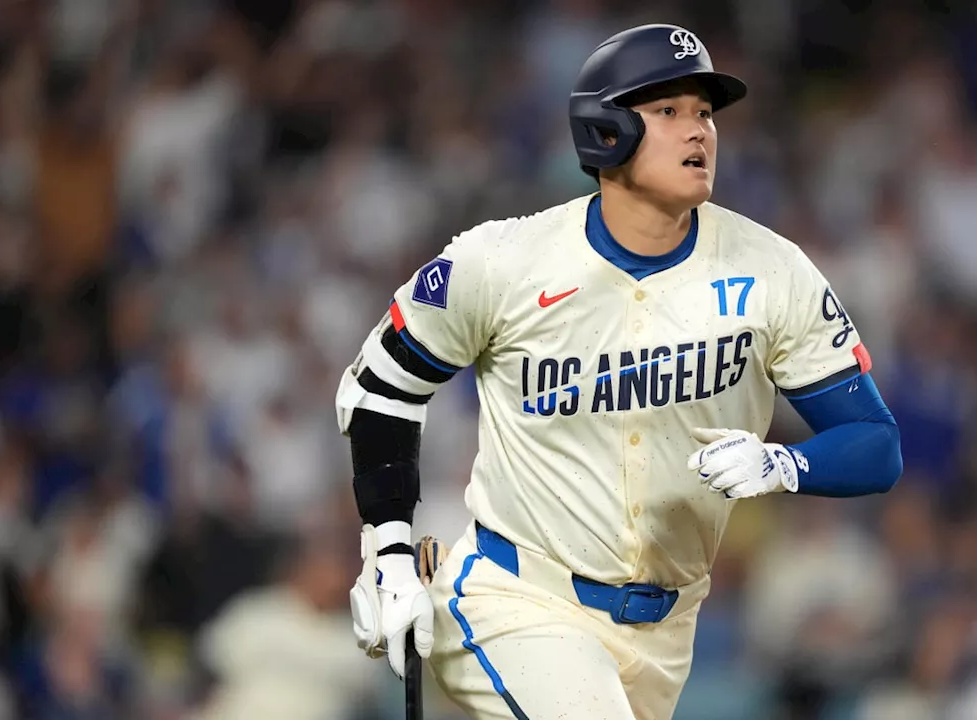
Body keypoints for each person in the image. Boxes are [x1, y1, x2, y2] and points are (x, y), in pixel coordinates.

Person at [334, 23, 903, 720]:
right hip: (515, 597)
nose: (698, 131)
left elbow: (877, 443)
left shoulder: (771, 270)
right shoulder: (505, 261)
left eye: (704, 113)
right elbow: (381, 387)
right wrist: (387, 546)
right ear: (605, 131)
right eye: (668, 112)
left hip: (665, 632)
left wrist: (786, 465)